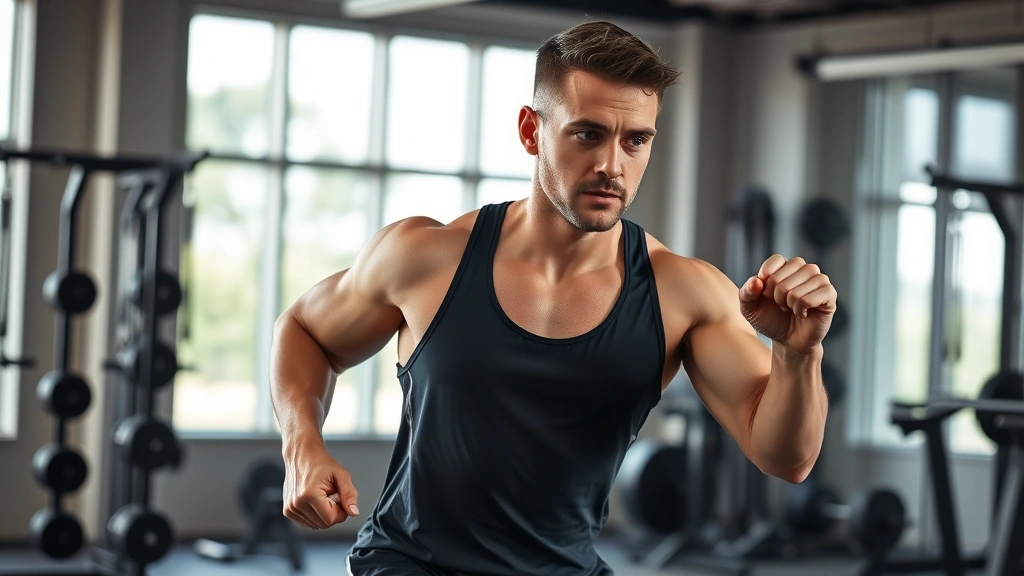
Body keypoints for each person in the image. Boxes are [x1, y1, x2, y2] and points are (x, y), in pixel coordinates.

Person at [270, 20, 835, 576]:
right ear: (531, 131)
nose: (612, 165)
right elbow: (303, 329)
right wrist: (302, 445)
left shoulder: (683, 292)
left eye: (635, 140)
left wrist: (798, 353)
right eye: (588, 134)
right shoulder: (426, 257)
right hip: (409, 566)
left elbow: (786, 458)